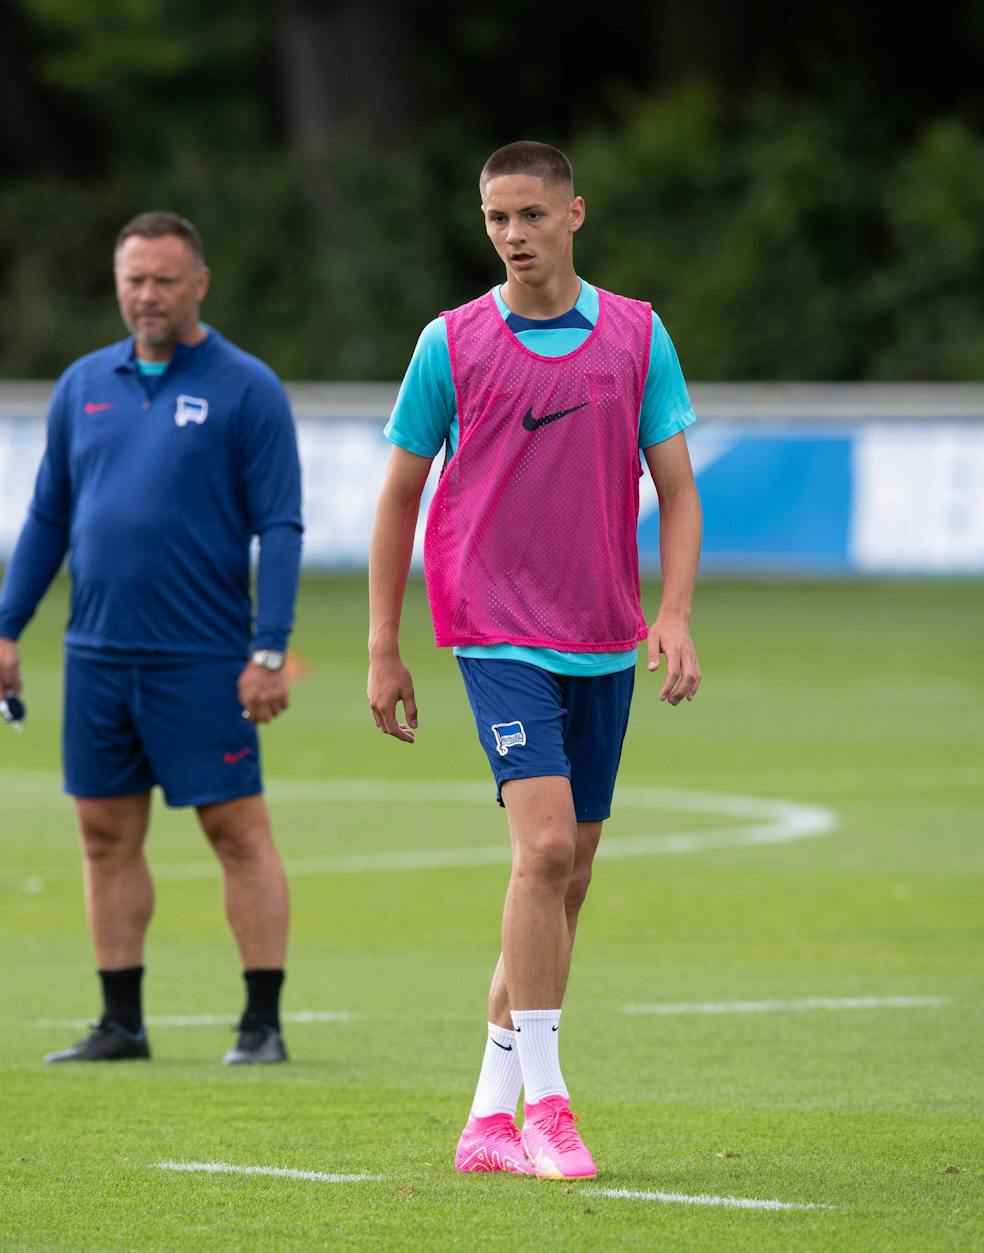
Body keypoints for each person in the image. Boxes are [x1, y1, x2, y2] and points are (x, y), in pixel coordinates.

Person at [366, 142, 703, 1178]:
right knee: (544, 847)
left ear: (572, 214)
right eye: (492, 218)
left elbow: (679, 490)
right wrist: (383, 643)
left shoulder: (637, 337)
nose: (510, 235)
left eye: (527, 214)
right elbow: (397, 496)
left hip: (601, 633)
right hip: (492, 626)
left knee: (567, 874)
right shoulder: (451, 343)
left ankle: (485, 1115)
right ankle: (550, 1104)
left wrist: (673, 612)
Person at [0, 211, 303, 1067]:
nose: (148, 295)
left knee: (237, 832)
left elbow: (280, 526)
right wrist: (6, 628)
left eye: (165, 279)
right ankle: (121, 1021)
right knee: (102, 834)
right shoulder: (83, 384)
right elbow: (49, 515)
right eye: (134, 279)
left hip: (202, 658)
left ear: (199, 283)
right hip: (96, 655)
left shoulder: (247, 388)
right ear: (117, 282)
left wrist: (268, 648)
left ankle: (260, 1022)